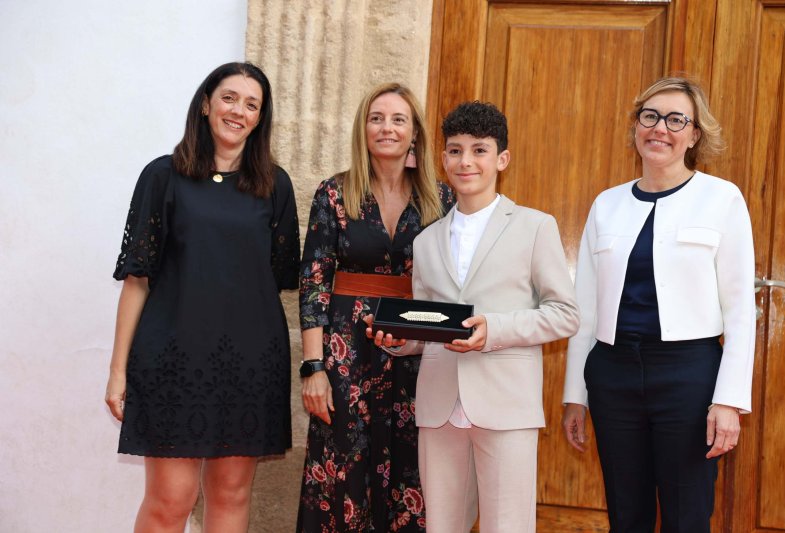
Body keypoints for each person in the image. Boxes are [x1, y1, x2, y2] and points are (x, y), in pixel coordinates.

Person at [105, 62, 300, 533]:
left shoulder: (275, 186)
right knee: (171, 501)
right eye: (230, 98)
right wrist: (117, 371)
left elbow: (274, 276)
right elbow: (138, 278)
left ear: (260, 118)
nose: (239, 111)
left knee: (231, 496)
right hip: (173, 360)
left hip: (250, 363)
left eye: (252, 104)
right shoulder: (163, 177)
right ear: (206, 103)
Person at [369, 101, 580, 533]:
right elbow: (427, 327)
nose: (466, 161)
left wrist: (494, 330)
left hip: (506, 404)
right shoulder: (426, 241)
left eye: (479, 150)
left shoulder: (534, 226)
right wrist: (399, 339)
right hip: (440, 404)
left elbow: (565, 314)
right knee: (441, 527)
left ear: (502, 159)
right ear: (442, 158)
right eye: (455, 150)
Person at [561, 76, 756, 533]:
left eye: (675, 119)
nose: (659, 129)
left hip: (688, 376)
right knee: (626, 515)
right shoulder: (606, 204)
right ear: (635, 127)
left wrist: (728, 401)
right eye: (650, 117)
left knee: (687, 518)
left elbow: (739, 309)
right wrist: (576, 395)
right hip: (612, 374)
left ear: (694, 134)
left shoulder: (722, 199)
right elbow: (584, 308)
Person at [296, 82, 455, 532]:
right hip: (345, 356)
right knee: (342, 471)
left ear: (415, 134)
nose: (387, 127)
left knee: (412, 474)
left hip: (416, 355)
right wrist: (313, 367)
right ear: (363, 129)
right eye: (376, 118)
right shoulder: (333, 193)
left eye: (398, 119)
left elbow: (450, 287)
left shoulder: (441, 200)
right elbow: (313, 283)